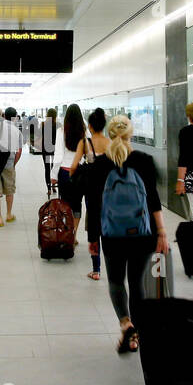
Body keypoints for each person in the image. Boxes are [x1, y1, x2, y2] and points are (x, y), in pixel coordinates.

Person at [85, 115, 169, 354]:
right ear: (132, 134)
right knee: (137, 283)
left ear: (110, 134)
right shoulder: (144, 160)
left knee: (115, 281)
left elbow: (94, 205)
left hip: (112, 235)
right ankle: (136, 337)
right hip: (143, 233)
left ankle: (125, 323)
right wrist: (161, 232)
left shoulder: (99, 165)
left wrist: (93, 239)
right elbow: (153, 199)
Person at [81, 107, 110, 281]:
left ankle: (96, 269)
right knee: (107, 228)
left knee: (93, 230)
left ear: (90, 126)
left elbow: (76, 165)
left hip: (92, 192)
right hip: (109, 192)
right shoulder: (111, 144)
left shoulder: (86, 143)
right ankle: (112, 264)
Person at [50, 104, 86, 243]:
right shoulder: (85, 131)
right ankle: (74, 235)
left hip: (65, 173)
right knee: (77, 204)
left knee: (65, 205)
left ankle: (66, 234)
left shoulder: (61, 131)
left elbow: (58, 156)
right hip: (80, 172)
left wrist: (53, 175)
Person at [37, 108, 59, 189]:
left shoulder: (43, 124)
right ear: (55, 115)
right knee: (54, 167)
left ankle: (49, 188)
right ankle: (53, 186)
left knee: (47, 168)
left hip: (46, 149)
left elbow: (39, 136)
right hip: (55, 150)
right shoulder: (58, 125)